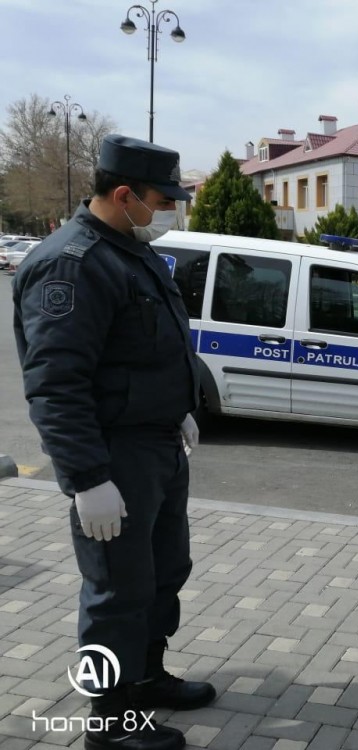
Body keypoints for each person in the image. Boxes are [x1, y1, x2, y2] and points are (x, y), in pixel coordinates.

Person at [13, 134, 215, 750]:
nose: (170, 209)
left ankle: (145, 676)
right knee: (114, 590)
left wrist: (180, 408)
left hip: (156, 446)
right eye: (162, 199)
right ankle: (109, 717)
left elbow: (154, 348)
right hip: (114, 457)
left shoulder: (128, 251)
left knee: (162, 569)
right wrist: (87, 478)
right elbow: (56, 384)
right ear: (124, 195)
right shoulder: (72, 263)